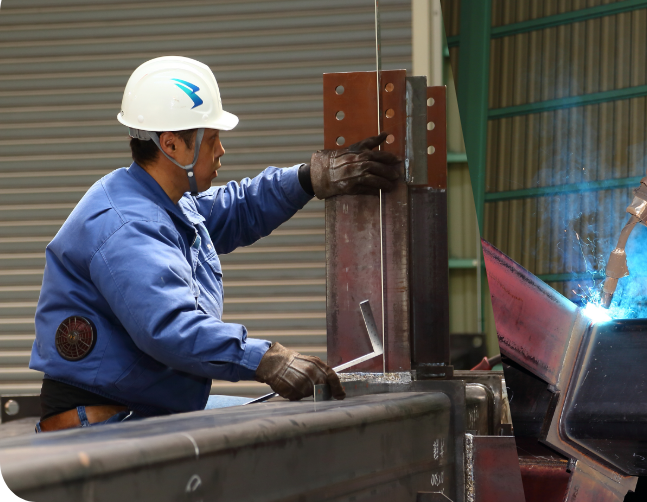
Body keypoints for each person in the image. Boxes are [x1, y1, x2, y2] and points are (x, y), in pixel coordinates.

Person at [28, 56, 400, 432]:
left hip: (144, 401)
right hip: (104, 418)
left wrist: (308, 179)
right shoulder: (126, 224)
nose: (221, 151)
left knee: (268, 423)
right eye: (213, 139)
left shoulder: (163, 200)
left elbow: (237, 208)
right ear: (172, 145)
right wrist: (267, 358)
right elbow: (170, 328)